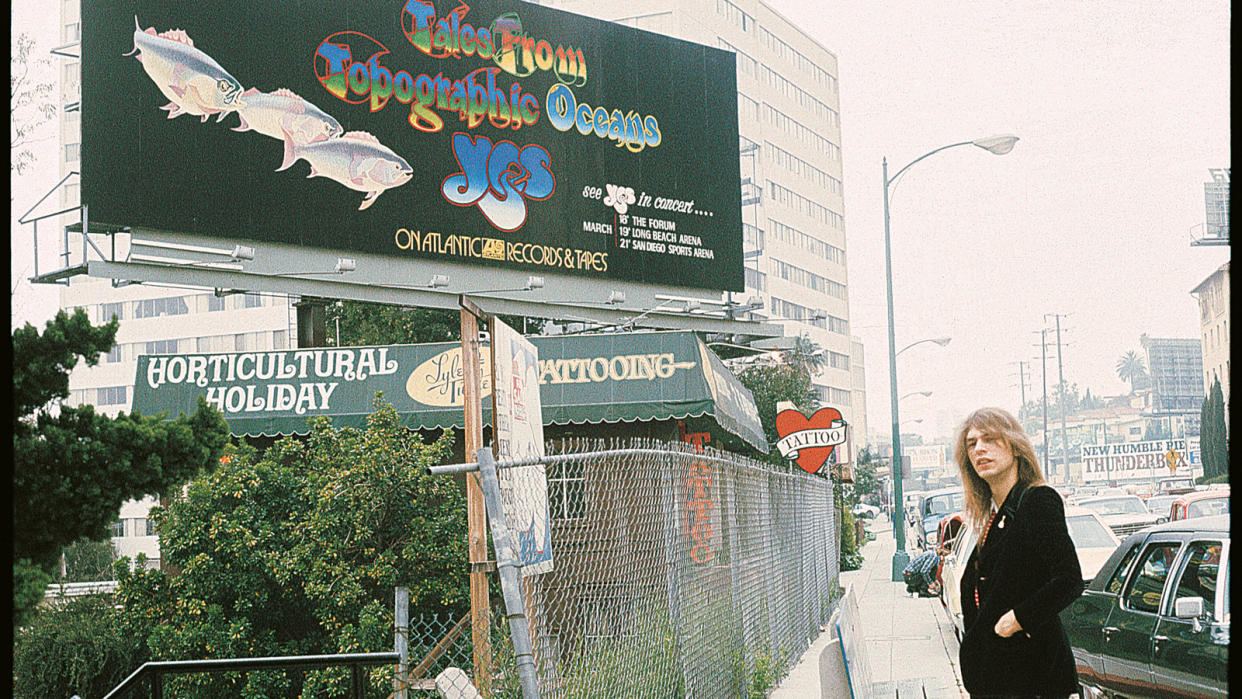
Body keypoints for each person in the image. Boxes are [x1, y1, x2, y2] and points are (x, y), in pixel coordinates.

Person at [954, 407, 1083, 698]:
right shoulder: (996, 517)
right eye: (972, 443)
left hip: (1035, 679)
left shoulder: (1037, 500)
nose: (979, 449)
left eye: (989, 438)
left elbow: (1069, 579)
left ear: (1015, 446)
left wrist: (1013, 621)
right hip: (1002, 682)